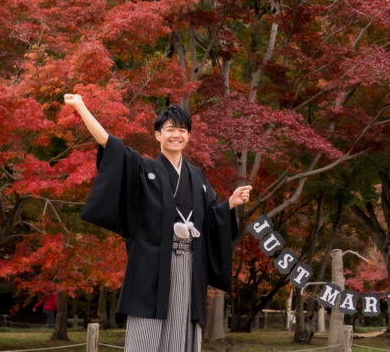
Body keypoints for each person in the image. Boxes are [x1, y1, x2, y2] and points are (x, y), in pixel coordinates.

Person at [64, 93, 251, 352]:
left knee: (182, 331)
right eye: (170, 129)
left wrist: (229, 203)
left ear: (188, 136)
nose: (177, 135)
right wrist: (81, 106)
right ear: (157, 136)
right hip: (151, 267)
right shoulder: (144, 169)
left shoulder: (198, 178)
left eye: (183, 130)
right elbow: (109, 143)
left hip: (189, 266)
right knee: (147, 333)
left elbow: (209, 221)